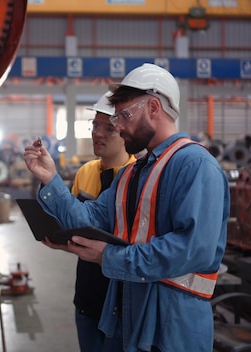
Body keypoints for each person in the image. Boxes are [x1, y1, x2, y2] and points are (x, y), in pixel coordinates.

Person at [24, 63, 230, 351]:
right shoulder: (131, 175)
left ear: (154, 108)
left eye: (124, 115)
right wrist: (51, 178)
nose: (118, 126)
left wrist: (110, 257)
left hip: (173, 323)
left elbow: (192, 248)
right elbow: (88, 219)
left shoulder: (195, 166)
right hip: (129, 314)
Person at [43, 91, 135, 352]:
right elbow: (73, 223)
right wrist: (62, 240)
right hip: (86, 292)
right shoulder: (86, 172)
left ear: (125, 133)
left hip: (117, 296)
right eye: (95, 126)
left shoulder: (135, 178)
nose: (98, 133)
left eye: (109, 128)